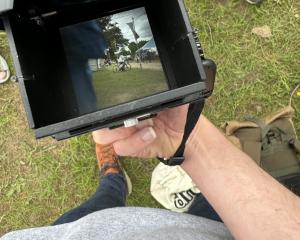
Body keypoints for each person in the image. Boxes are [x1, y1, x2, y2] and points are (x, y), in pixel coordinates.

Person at [2, 104, 300, 239]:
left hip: (69, 235)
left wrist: (189, 140)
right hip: (216, 233)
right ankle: (112, 180)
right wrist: (190, 142)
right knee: (205, 215)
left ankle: (112, 178)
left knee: (95, 211)